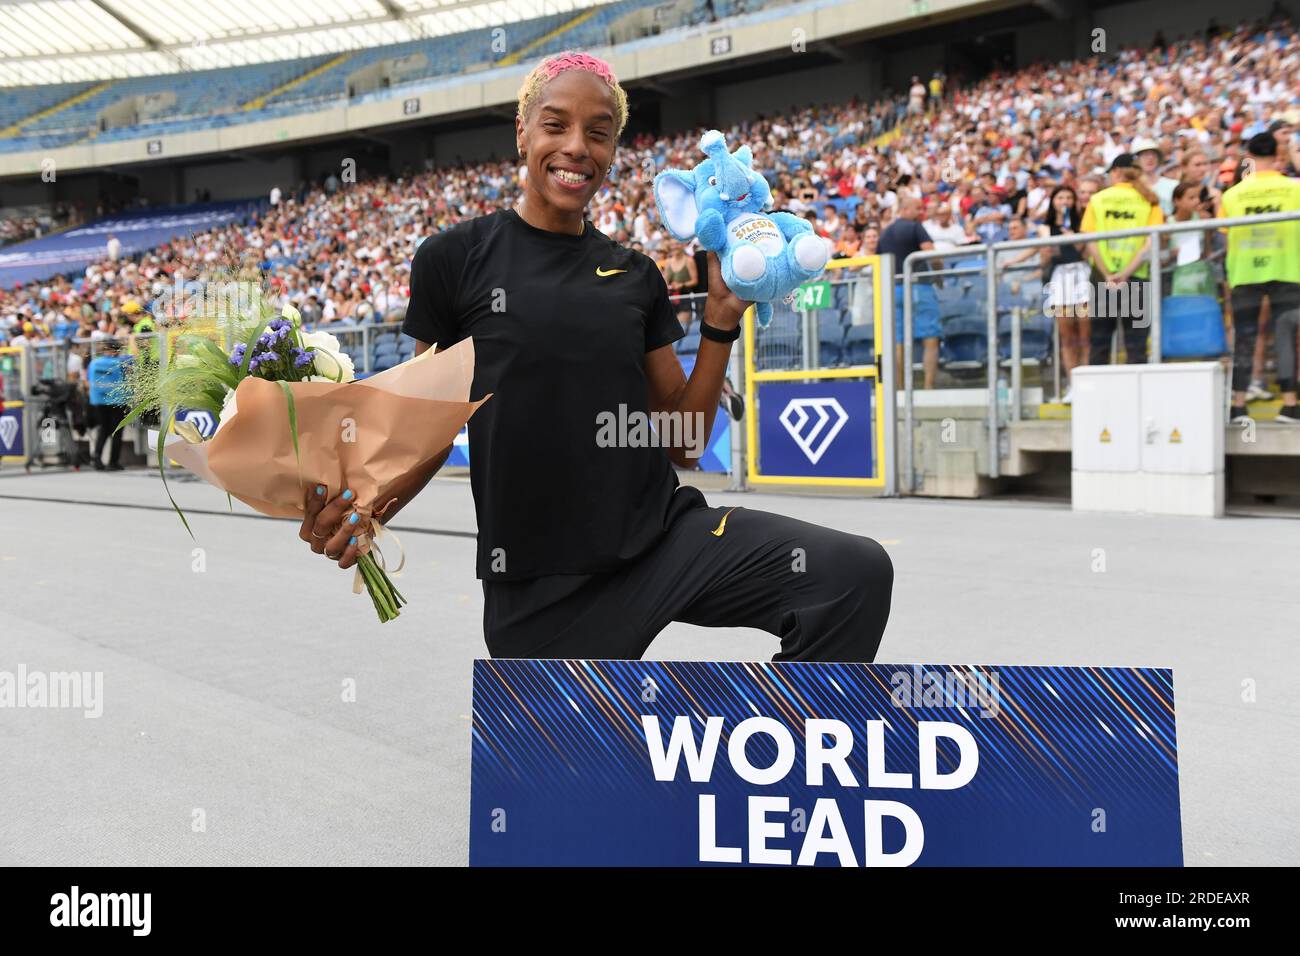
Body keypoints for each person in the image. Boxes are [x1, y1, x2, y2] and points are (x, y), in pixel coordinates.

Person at [300, 51, 893, 661]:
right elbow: (425, 426)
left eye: (599, 133)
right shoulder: (454, 259)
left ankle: (775, 747)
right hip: (538, 583)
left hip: (665, 541)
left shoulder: (636, 275)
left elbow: (683, 442)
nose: (577, 146)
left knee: (852, 574)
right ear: (523, 131)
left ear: (613, 151)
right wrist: (367, 509)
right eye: (556, 125)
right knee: (566, 757)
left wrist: (718, 323)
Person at [1220, 132, 1300, 424]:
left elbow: (1226, 238)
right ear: (1277, 155)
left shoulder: (1232, 194)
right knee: (1285, 336)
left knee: (1244, 336)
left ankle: (1238, 406)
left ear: (1249, 156)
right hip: (1286, 268)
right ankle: (1290, 405)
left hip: (1245, 271)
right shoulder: (1294, 188)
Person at [1082, 153, 1164, 365]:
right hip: (1136, 277)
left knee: (1099, 342)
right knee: (1136, 345)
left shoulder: (1097, 199)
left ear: (1116, 172)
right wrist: (1125, 274)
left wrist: (1109, 274)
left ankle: (1100, 397)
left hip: (1102, 278)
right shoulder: (1150, 200)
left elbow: (1090, 241)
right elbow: (1151, 242)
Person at [879, 195, 939, 390]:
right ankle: (928, 387)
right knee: (930, 337)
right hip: (918, 286)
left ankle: (901, 390)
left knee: (898, 341)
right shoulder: (915, 226)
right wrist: (940, 274)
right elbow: (930, 252)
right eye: (917, 208)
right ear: (904, 209)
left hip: (892, 289)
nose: (920, 212)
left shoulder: (885, 233)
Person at [1039, 185, 1090, 402]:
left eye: (1069, 197)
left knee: (1085, 333)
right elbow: (1044, 256)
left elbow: (1084, 250)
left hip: (1082, 273)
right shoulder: (1046, 228)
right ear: (1053, 201)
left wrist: (1073, 235)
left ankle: (1087, 380)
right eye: (1061, 197)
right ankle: (1072, 383)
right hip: (1060, 277)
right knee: (1067, 335)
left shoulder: (1083, 223)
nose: (1065, 201)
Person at [87, 339, 130, 471]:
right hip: (117, 401)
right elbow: (128, 378)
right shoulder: (121, 363)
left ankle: (97, 459)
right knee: (117, 432)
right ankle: (113, 462)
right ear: (115, 351)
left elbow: (88, 380)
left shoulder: (94, 363)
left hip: (98, 401)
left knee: (103, 430)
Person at [660, 242, 699, 329]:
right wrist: (667, 286)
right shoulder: (668, 261)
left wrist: (681, 285)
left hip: (684, 298)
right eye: (672, 244)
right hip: (670, 299)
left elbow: (695, 281)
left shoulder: (689, 261)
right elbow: (665, 280)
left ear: (682, 245)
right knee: (670, 329)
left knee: (682, 329)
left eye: (677, 244)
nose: (674, 246)